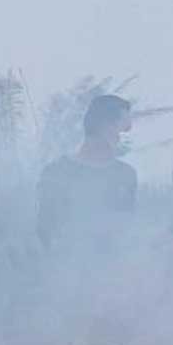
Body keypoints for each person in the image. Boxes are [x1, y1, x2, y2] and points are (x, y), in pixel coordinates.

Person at [36, 95, 137, 250]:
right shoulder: (57, 173)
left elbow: (128, 229)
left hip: (114, 270)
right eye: (124, 128)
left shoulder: (125, 175)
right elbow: (44, 232)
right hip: (64, 267)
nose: (126, 134)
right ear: (104, 127)